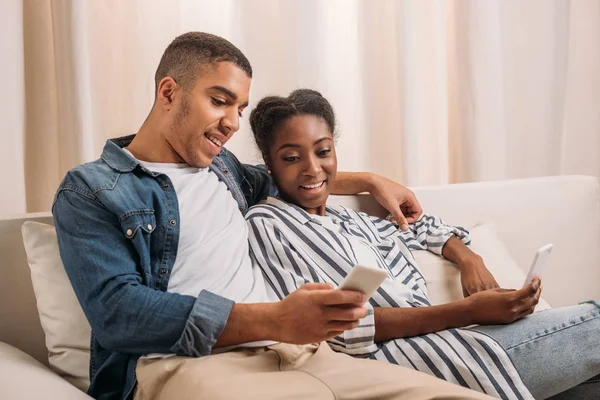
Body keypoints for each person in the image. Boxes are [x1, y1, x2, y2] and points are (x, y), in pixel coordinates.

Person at [52, 32, 495, 400]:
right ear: (169, 92)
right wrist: (275, 318)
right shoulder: (93, 189)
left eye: (240, 109)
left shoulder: (224, 170)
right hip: (186, 365)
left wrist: (370, 180)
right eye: (220, 101)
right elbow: (118, 313)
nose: (233, 123)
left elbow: (294, 173)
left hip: (297, 351)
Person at [245, 89, 600, 400]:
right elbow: (336, 327)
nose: (312, 168)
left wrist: (468, 258)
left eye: (323, 151)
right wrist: (471, 310)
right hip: (409, 364)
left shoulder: (346, 219)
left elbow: (418, 226)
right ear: (268, 163)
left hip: (457, 341)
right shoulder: (266, 223)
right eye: (291, 158)